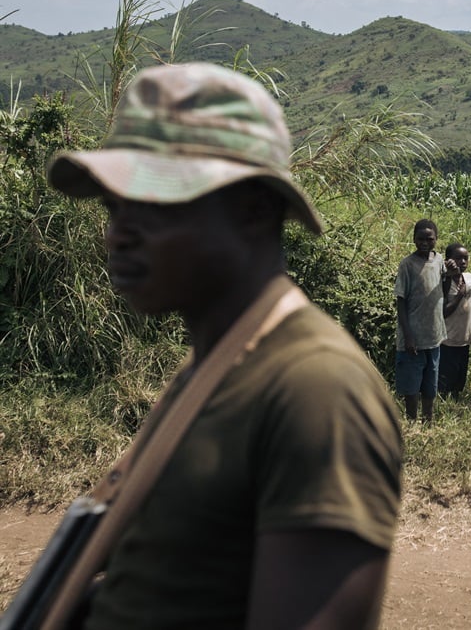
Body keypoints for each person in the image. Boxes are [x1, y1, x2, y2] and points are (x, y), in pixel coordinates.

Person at [45, 62, 403, 629]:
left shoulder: (316, 390)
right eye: (115, 204)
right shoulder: (214, 368)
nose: (118, 232)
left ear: (255, 209)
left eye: (156, 200)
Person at [395, 218, 449, 423]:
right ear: (414, 239)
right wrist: (408, 336)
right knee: (411, 383)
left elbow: (444, 285)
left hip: (434, 335)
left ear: (436, 239)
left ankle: (428, 419)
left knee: (430, 382)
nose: (425, 242)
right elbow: (400, 301)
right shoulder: (407, 264)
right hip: (413, 337)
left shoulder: (439, 260)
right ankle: (411, 420)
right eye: (421, 238)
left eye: (430, 238)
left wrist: (452, 273)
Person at [438, 242, 471, 402]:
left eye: (465, 258)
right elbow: (444, 312)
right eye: (458, 258)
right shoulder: (444, 282)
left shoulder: (469, 278)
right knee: (447, 372)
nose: (463, 262)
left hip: (465, 337)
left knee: (461, 372)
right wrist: (460, 294)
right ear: (448, 260)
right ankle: (443, 399)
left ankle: (455, 398)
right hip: (448, 338)